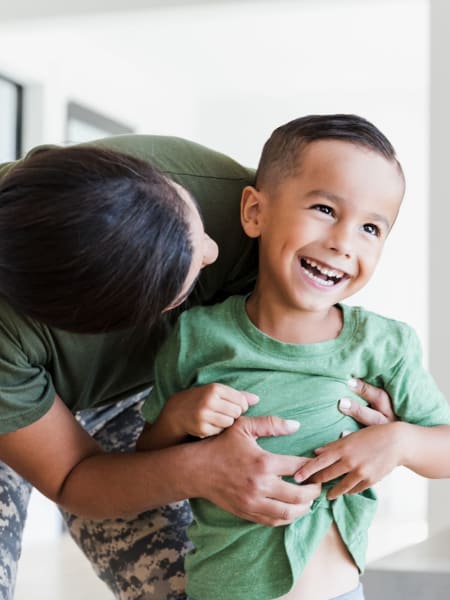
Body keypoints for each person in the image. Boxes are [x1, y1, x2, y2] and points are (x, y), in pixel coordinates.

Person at [0, 132, 392, 600]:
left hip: (155, 389)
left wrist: (356, 408)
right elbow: (70, 475)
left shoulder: (227, 199)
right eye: (189, 280)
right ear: (117, 321)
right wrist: (198, 469)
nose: (212, 251)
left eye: (198, 225)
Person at [138, 115, 450, 600]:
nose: (343, 242)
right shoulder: (197, 334)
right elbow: (149, 461)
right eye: (325, 208)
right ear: (255, 212)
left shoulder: (384, 344)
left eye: (371, 227)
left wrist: (401, 442)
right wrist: (178, 416)